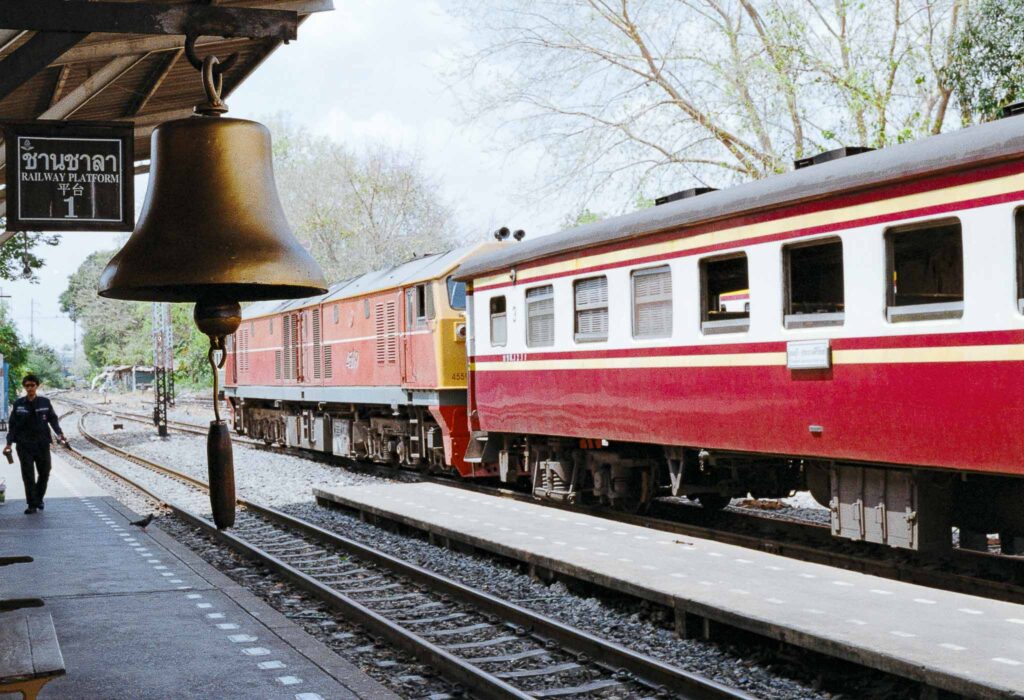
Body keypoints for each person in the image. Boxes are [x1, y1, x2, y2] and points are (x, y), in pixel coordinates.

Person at [3, 375, 67, 514]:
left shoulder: (45, 402)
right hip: (24, 445)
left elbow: (53, 420)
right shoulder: (19, 404)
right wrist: (8, 444)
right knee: (28, 475)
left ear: (37, 386)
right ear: (24, 387)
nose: (30, 388)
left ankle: (38, 498)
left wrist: (59, 434)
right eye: (27, 386)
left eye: (32, 385)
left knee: (45, 472)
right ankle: (32, 504)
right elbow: (12, 426)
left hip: (42, 443)